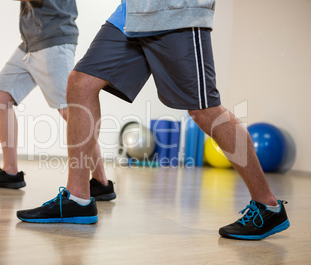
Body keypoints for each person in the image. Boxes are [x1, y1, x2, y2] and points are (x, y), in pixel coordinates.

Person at [16, 0, 290, 240]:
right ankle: (78, 198)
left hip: (175, 11)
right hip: (132, 12)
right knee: (80, 83)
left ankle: (268, 206)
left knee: (204, 110)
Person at [0, 0, 116, 202]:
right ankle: (10, 172)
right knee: (0, 94)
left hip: (53, 40)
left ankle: (101, 182)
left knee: (73, 112)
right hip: (30, 42)